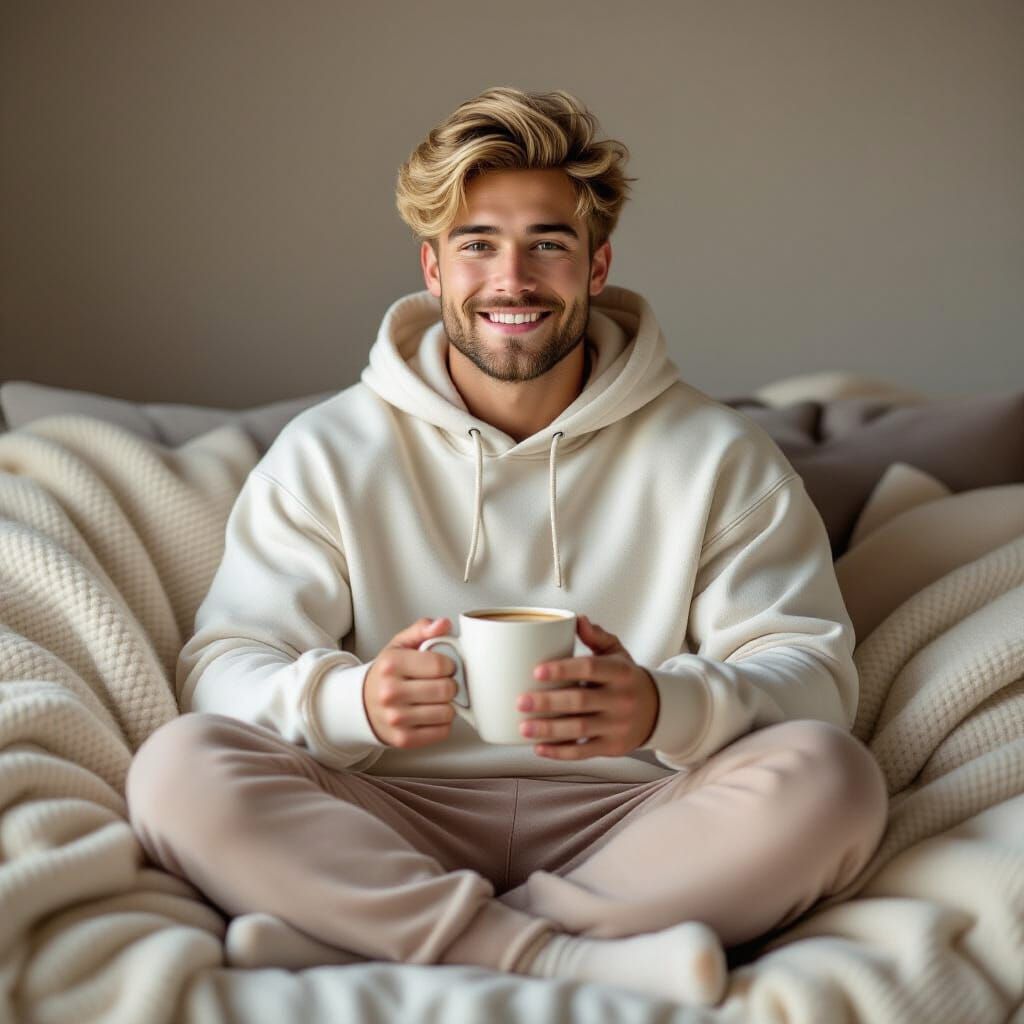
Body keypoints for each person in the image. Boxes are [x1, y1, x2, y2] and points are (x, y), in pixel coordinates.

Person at [125, 86, 888, 1006]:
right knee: (178, 768)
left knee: (834, 780)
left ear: (597, 265)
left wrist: (663, 710)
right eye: (477, 244)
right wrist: (350, 701)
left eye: (548, 244)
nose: (511, 279)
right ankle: (561, 958)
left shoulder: (718, 455)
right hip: (387, 813)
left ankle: (369, 937)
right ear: (433, 268)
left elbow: (811, 672)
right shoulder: (329, 451)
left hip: (634, 819)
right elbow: (224, 663)